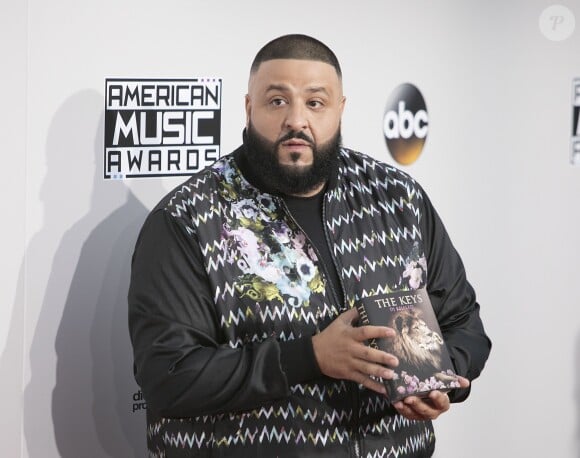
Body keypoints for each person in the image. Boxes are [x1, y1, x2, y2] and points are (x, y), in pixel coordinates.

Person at [128, 34, 491, 457]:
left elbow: (464, 324)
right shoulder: (189, 219)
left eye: (315, 103)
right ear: (248, 109)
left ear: (340, 110)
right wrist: (309, 357)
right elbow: (168, 375)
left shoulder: (398, 198)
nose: (296, 120)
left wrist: (439, 378)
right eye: (277, 101)